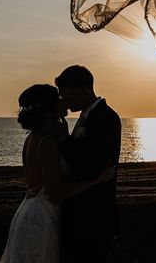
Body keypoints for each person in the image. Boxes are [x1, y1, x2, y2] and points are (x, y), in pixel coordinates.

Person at [0, 84, 115, 263]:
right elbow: (56, 193)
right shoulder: (47, 142)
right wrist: (96, 180)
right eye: (58, 99)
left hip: (29, 210)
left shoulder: (33, 137)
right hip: (42, 219)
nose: (64, 101)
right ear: (49, 109)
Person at [56, 65, 122, 263]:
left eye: (67, 96)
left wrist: (63, 140)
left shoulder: (107, 118)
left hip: (94, 217)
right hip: (78, 216)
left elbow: (91, 166)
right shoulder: (86, 117)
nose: (65, 102)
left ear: (83, 89)